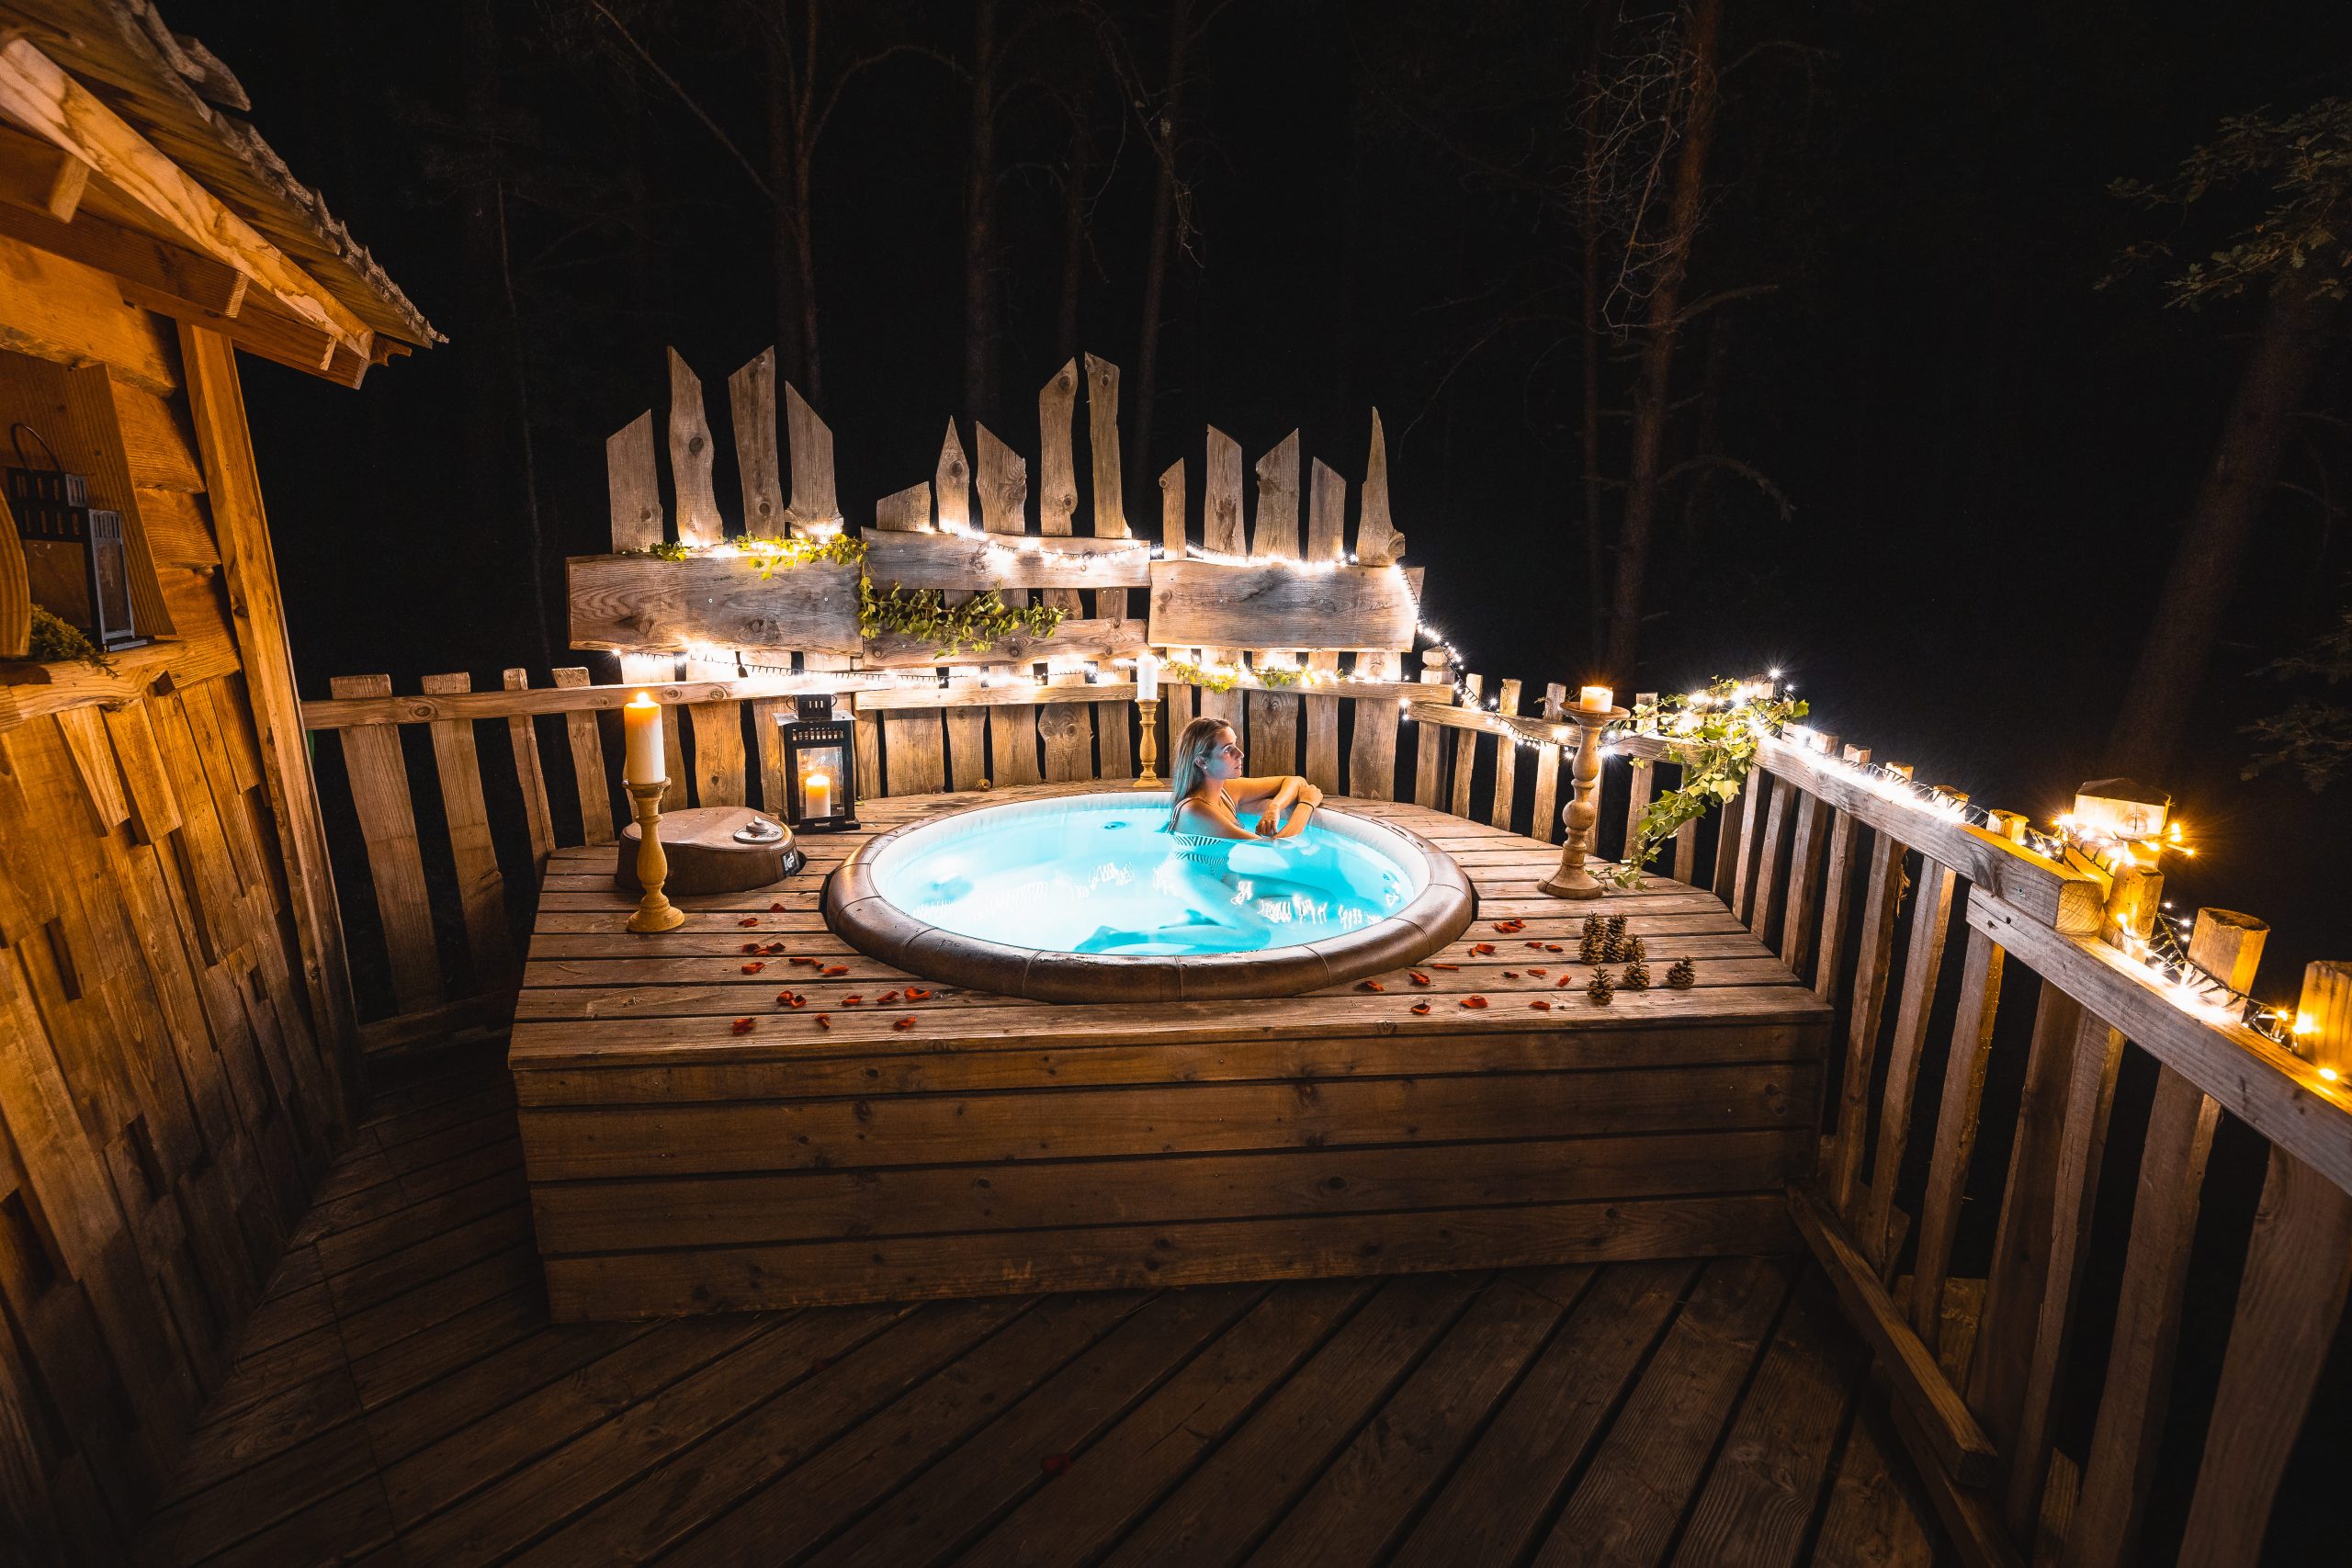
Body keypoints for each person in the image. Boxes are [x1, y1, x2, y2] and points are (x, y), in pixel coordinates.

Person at [1071, 716, 1328, 953]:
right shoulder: (1195, 810)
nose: (1240, 754)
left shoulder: (1227, 790)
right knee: (1256, 935)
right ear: (1202, 762)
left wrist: (1274, 808)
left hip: (1220, 874)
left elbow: (1294, 780)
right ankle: (1118, 937)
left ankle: (1206, 919)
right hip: (1190, 878)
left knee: (1320, 899)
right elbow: (1276, 846)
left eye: (1236, 745)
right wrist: (1306, 804)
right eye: (1228, 750)